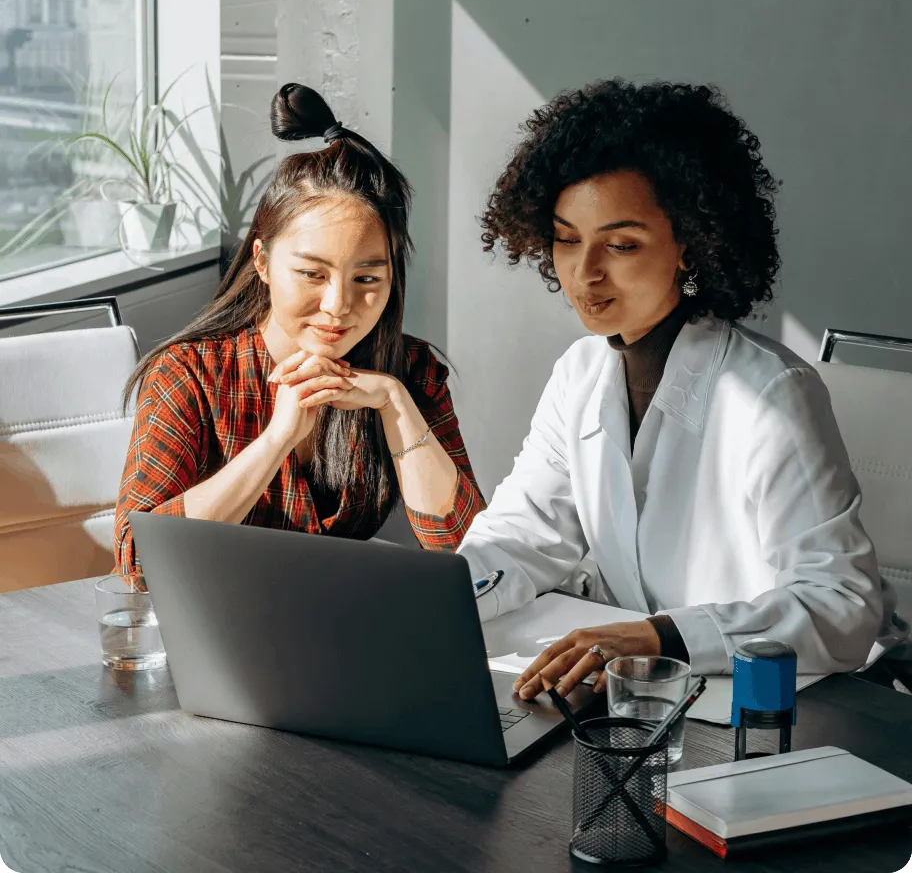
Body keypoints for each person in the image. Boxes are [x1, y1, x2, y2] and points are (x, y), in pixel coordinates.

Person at [458, 78, 905, 699]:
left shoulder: (771, 394)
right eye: (566, 239)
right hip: (649, 697)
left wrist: (661, 636)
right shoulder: (580, 374)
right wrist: (436, 601)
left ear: (691, 246)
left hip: (782, 703)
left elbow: (841, 605)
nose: (584, 272)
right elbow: (523, 536)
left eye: (620, 244)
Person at [114, 83, 485, 585]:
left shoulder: (412, 371)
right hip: (217, 629)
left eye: (367, 279)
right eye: (313, 274)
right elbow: (137, 564)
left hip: (333, 627)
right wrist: (277, 438)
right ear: (262, 262)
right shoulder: (190, 374)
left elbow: (469, 553)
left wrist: (395, 403)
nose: (338, 306)